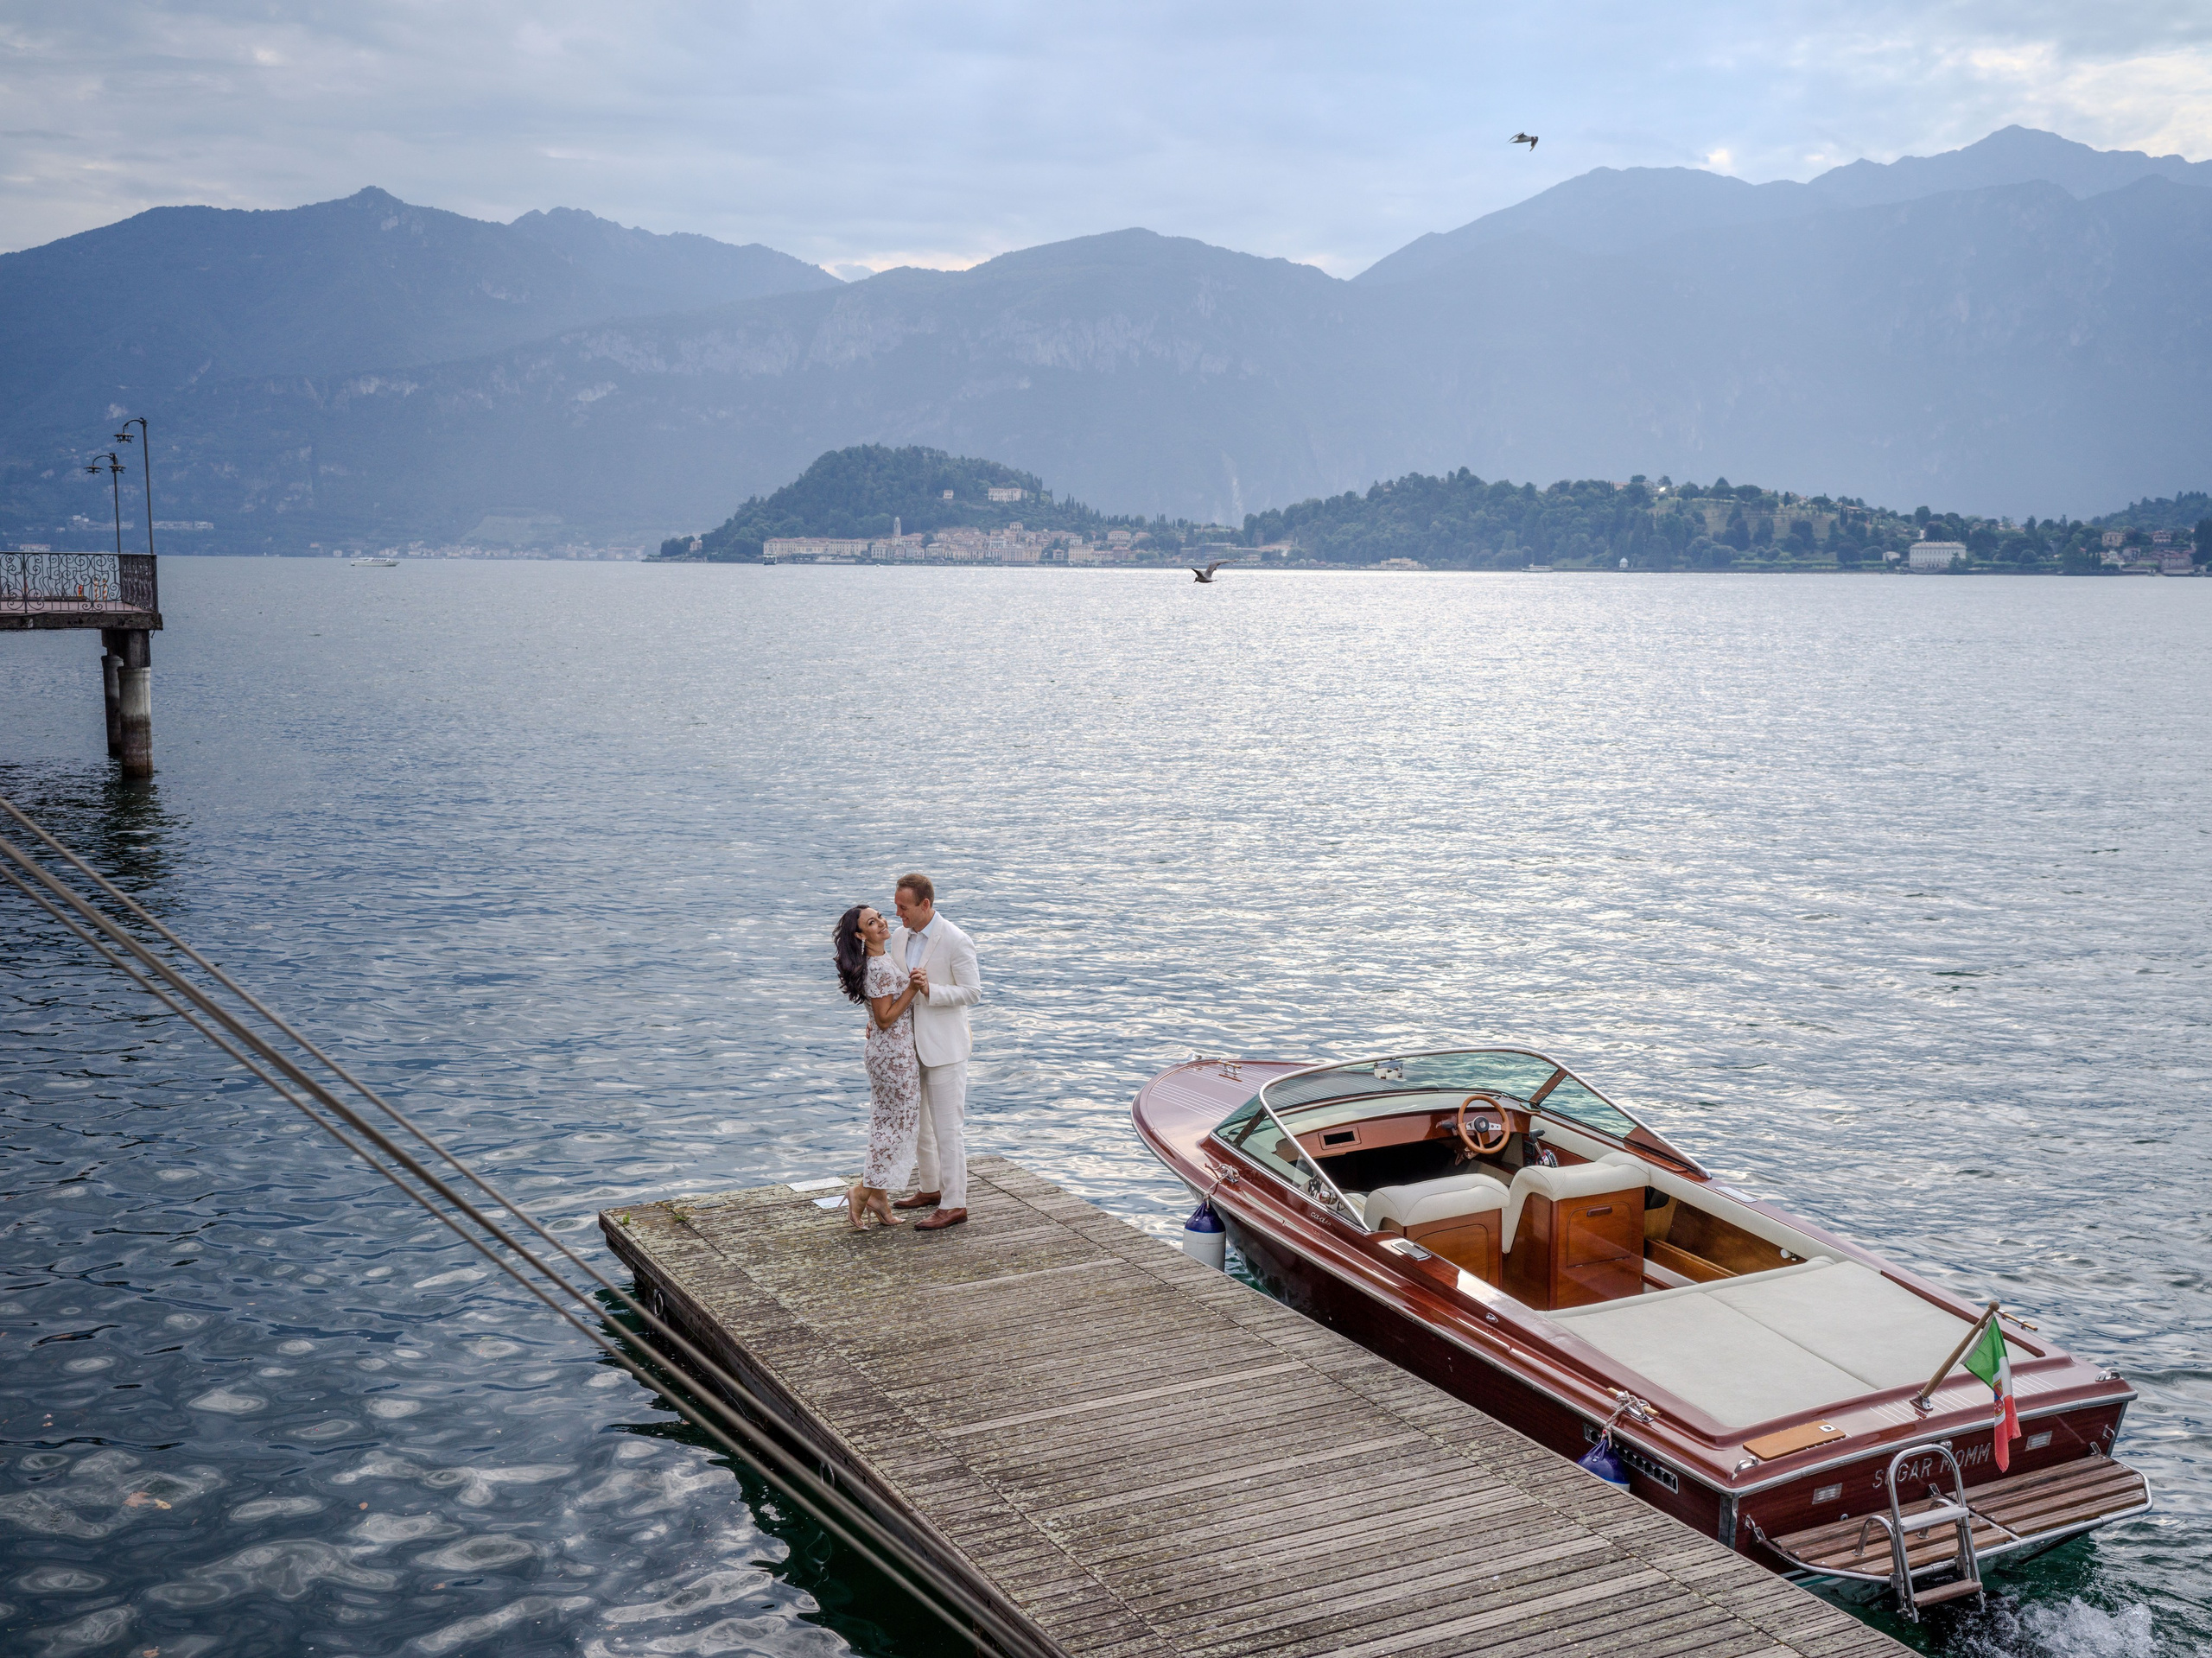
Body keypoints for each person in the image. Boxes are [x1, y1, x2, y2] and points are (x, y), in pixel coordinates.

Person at [883, 873, 981, 1230]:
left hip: (946, 1048)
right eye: (895, 905)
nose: (897, 914)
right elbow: (895, 986)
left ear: (925, 905)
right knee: (920, 1126)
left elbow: (972, 992)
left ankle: (955, 1204)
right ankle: (930, 1189)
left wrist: (932, 991)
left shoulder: (957, 940)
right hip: (909, 1046)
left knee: (947, 1129)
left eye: (903, 907)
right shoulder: (898, 937)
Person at [831, 904, 923, 1229]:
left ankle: (878, 1196)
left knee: (887, 1125)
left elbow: (876, 1014)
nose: (882, 922)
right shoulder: (878, 967)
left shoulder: (881, 961)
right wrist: (912, 987)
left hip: (889, 1054)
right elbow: (884, 1019)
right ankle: (863, 1191)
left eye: (880, 916)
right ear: (860, 935)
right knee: (896, 1128)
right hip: (894, 1056)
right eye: (872, 922)